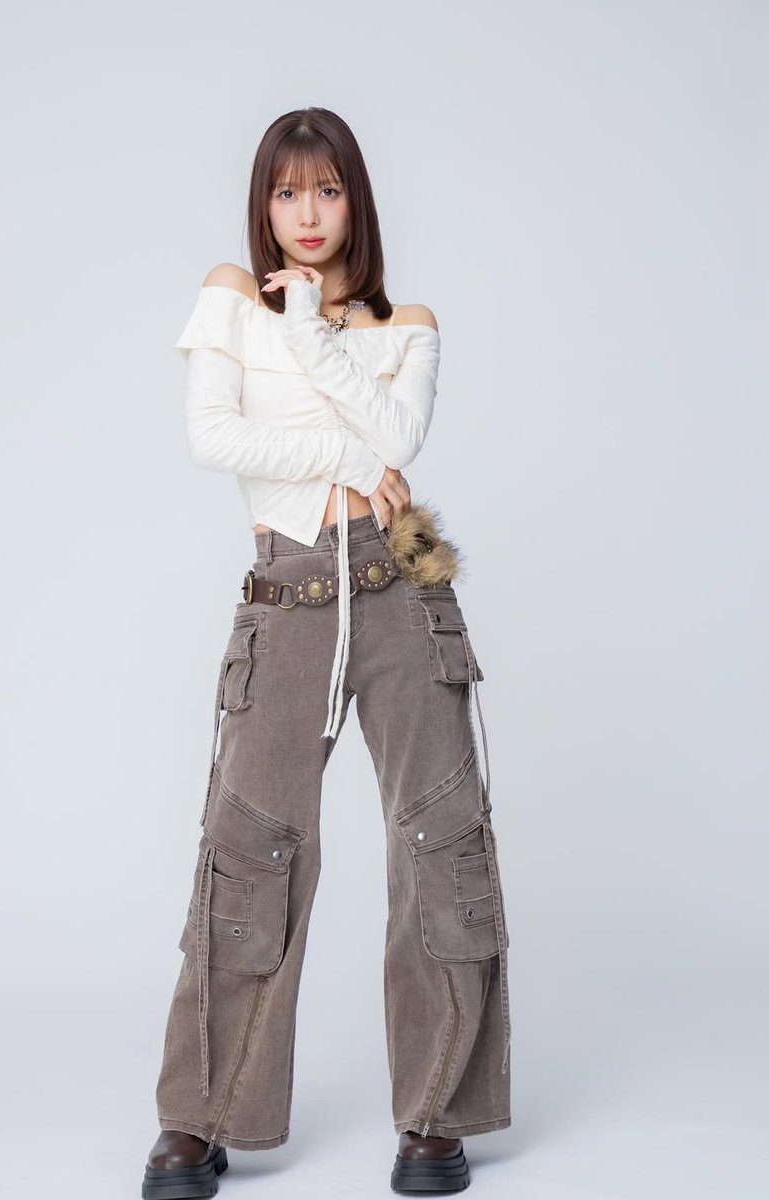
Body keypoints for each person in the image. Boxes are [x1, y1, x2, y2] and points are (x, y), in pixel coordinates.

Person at [141, 107, 511, 1199]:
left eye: (328, 189)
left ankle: (436, 1114)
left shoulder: (408, 323)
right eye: (286, 190)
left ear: (358, 199)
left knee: (439, 839)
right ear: (263, 202)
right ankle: (201, 1118)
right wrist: (346, 454)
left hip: (403, 590)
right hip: (290, 591)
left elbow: (399, 443)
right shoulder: (230, 296)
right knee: (250, 847)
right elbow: (214, 437)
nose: (307, 213)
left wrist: (310, 328)